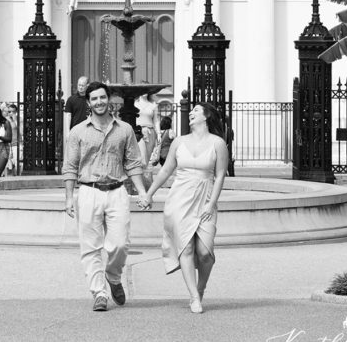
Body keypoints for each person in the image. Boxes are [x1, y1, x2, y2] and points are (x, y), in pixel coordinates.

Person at [62, 81, 146, 312]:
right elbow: (70, 166)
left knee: (120, 244)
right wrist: (69, 198)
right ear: (88, 103)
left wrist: (142, 191)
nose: (99, 102)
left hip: (117, 190)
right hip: (88, 191)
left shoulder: (125, 129)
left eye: (102, 97)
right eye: (94, 99)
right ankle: (99, 292)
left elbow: (133, 163)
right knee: (90, 246)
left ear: (109, 99)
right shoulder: (77, 132)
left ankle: (113, 276)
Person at [137, 102, 229, 314]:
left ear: (206, 116)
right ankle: (193, 296)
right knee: (186, 248)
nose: (192, 113)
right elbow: (166, 170)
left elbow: (220, 175)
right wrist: (149, 194)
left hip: (205, 196)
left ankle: (201, 287)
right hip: (180, 198)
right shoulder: (179, 142)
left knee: (205, 252)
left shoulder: (217, 143)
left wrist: (212, 203)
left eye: (197, 110)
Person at [134, 89, 160, 166]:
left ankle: (144, 176)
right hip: (138, 132)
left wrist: (159, 133)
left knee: (147, 157)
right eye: (142, 89)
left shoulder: (153, 104)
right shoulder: (135, 103)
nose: (144, 91)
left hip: (150, 132)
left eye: (146, 89)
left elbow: (156, 120)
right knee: (142, 158)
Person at [63, 75, 89, 140]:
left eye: (82, 85)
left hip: (88, 131)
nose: (80, 87)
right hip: (75, 131)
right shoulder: (71, 99)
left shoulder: (91, 99)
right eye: (79, 85)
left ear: (87, 86)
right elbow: (68, 116)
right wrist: (67, 132)